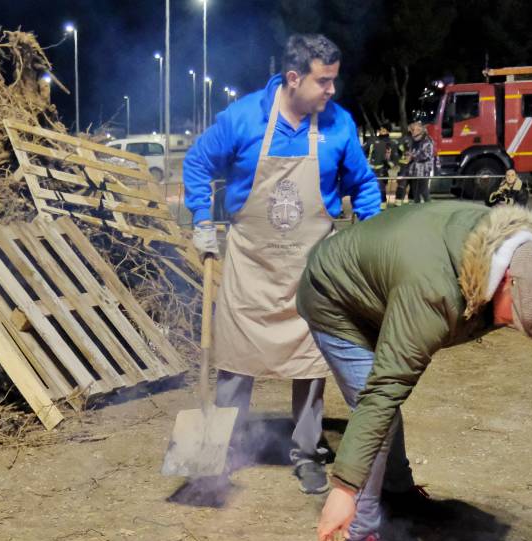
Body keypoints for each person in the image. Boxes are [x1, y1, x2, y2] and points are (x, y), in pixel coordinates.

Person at [298, 202, 532, 541]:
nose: (508, 325)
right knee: (379, 411)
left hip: (383, 288)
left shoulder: (507, 251)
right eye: (514, 315)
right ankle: (359, 538)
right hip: (335, 296)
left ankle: (397, 492)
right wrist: (343, 488)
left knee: (385, 415)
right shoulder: (435, 290)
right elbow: (382, 393)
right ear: (510, 278)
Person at [182, 34, 381, 495]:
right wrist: (201, 219)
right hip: (251, 264)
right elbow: (197, 163)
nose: (332, 90)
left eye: (334, 79)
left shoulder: (338, 125)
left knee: (312, 363)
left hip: (312, 269)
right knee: (233, 358)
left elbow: (364, 185)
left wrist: (375, 235)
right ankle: (221, 451)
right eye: (323, 81)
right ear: (294, 78)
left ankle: (307, 453)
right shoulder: (244, 118)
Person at [401, 121, 435, 203]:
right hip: (414, 171)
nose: (412, 132)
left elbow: (427, 155)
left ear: (420, 130)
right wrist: (408, 155)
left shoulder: (427, 140)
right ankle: (416, 209)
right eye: (411, 130)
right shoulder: (413, 141)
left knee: (424, 191)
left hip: (423, 171)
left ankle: (429, 208)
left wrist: (413, 156)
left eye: (413, 130)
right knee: (415, 192)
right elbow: (412, 152)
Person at [368, 126, 401, 206]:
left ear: (388, 132)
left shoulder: (392, 143)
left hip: (383, 169)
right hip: (370, 169)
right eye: (381, 130)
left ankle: (382, 203)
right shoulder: (372, 141)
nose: (382, 131)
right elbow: (363, 151)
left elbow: (396, 158)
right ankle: (371, 204)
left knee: (381, 187)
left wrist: (389, 164)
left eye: (384, 130)